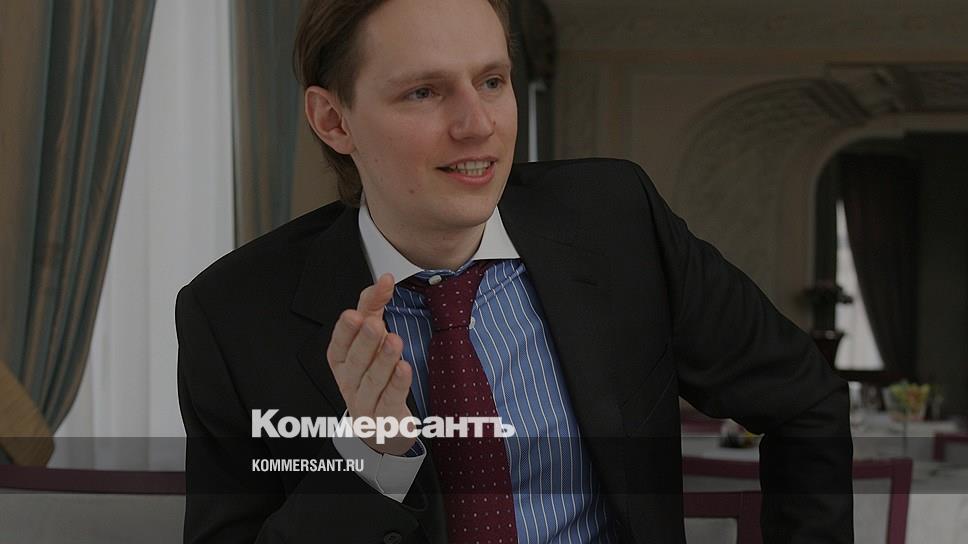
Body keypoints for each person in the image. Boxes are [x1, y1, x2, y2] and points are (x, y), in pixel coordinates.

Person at [175, 0, 853, 542]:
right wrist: (370, 462)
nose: (478, 125)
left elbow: (804, 400)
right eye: (423, 92)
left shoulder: (618, 221)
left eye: (492, 81)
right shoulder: (234, 316)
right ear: (333, 120)